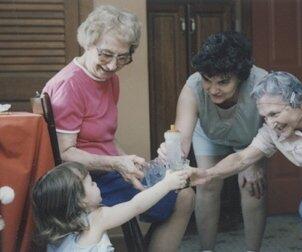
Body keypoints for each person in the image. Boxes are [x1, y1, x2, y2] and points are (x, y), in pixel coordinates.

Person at [42, 5, 194, 252]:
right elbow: (64, 155)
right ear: (88, 43)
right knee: (182, 196)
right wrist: (116, 164)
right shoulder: (69, 85)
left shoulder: (109, 80)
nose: (113, 65)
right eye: (106, 54)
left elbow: (104, 139)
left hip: (105, 173)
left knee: (181, 191)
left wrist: (129, 163)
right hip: (81, 183)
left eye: (123, 57)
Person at [191, 65, 302, 252]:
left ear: (297, 101)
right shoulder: (272, 132)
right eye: (265, 117)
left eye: (274, 114)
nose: (271, 123)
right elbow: (241, 159)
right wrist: (207, 174)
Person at [158, 31, 268, 252]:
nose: (213, 89)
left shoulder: (262, 83)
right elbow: (182, 137)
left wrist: (254, 162)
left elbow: (273, 128)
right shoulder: (193, 87)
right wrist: (172, 152)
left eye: (223, 82)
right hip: (210, 133)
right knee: (207, 184)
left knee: (251, 187)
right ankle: (207, 249)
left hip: (253, 138)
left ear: (241, 76)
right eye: (208, 80)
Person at [32, 162, 191, 251]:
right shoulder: (97, 218)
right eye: (91, 183)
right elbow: (136, 205)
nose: (96, 184)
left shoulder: (57, 234)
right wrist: (167, 184)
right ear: (81, 201)